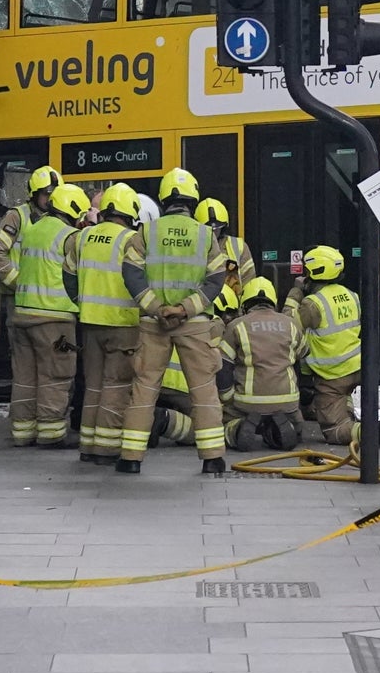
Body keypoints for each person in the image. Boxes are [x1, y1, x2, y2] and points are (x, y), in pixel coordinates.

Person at [121, 168, 225, 476]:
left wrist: (158, 308)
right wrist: (185, 309)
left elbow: (131, 272)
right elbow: (216, 279)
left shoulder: (147, 233)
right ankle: (213, 458)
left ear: (164, 199)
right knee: (204, 388)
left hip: (154, 323)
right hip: (193, 323)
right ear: (193, 200)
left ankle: (130, 458)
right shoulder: (206, 235)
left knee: (144, 387)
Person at [8, 182, 88, 447]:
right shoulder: (69, 237)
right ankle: (52, 434)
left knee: (25, 376)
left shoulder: (31, 230)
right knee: (56, 374)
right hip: (55, 319)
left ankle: (22, 432)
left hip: (21, 314)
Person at [74, 185, 145, 463]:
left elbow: (69, 275)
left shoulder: (84, 236)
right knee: (116, 386)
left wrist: (82, 301)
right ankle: (106, 448)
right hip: (122, 324)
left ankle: (88, 447)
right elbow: (141, 280)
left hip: (90, 322)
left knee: (93, 384)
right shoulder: (132, 240)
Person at [222, 278, 304, 452]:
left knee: (223, 422)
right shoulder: (291, 324)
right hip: (287, 401)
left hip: (247, 402)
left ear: (244, 303)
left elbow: (223, 367)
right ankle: (280, 430)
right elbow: (304, 353)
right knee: (294, 424)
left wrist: (228, 398)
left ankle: (237, 429)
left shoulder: (236, 326)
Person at [297, 246, 362, 452]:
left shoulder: (312, 304)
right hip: (355, 367)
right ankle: (348, 412)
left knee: (334, 430)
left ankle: (368, 432)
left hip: (331, 376)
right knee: (341, 398)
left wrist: (294, 292)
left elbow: (289, 328)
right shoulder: (352, 296)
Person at [200, 198, 253, 304]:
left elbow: (249, 281)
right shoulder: (194, 246)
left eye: (217, 229)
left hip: (232, 310)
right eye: (209, 229)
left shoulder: (238, 246)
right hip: (204, 306)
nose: (213, 233)